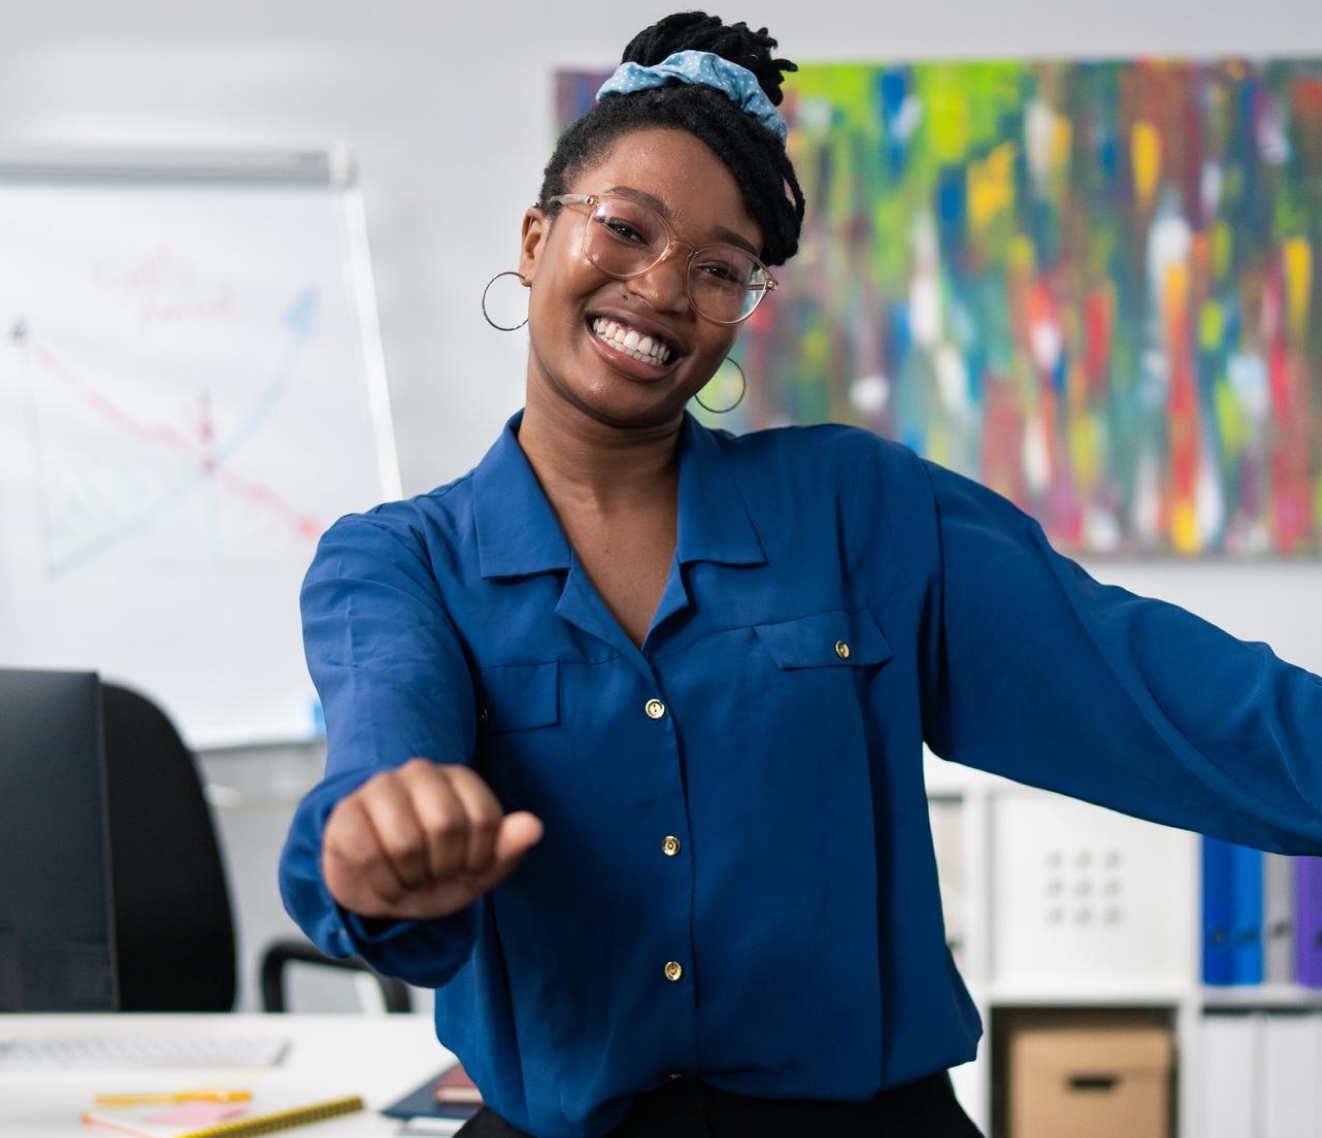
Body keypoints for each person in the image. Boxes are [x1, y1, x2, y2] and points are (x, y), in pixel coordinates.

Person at [279, 12, 1322, 1138]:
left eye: (720, 268)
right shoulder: (399, 563)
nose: (663, 286)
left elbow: (1172, 705)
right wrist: (374, 854)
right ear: (536, 238)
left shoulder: (860, 510)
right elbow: (382, 761)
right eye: (625, 227)